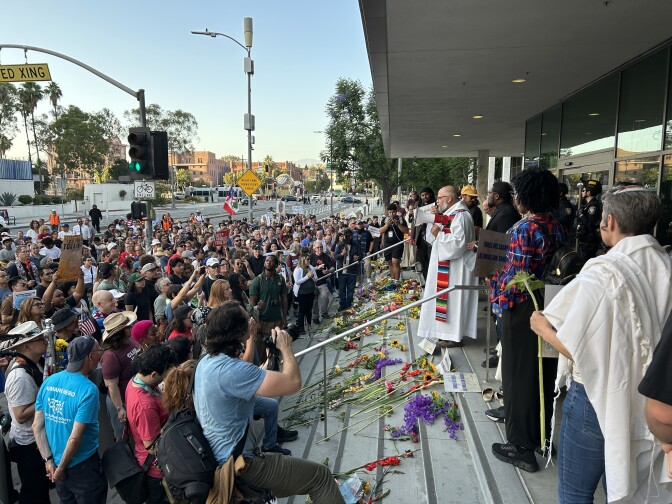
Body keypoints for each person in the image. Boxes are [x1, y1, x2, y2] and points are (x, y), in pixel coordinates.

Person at [532, 186, 672, 503]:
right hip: (653, 398)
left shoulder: (601, 274)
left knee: (575, 491)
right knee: (628, 488)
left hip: (595, 397)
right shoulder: (667, 265)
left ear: (608, 221)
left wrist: (541, 327)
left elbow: (577, 347)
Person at [194, 302, 344, 503]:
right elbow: (293, 383)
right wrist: (285, 348)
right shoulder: (230, 370)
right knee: (321, 477)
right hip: (241, 465)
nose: (251, 322)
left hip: (219, 458)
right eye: (247, 319)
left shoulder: (207, 362)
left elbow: (245, 374)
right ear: (237, 331)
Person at [489, 167, 564, 473]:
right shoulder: (556, 226)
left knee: (519, 376)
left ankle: (521, 447)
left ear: (526, 197)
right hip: (550, 305)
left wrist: (497, 301)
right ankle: (542, 437)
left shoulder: (523, 230)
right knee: (542, 375)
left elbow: (513, 281)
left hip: (522, 309)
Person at [33, 335, 108, 504]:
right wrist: (60, 468)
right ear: (90, 356)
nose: (101, 354)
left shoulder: (49, 382)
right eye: (99, 351)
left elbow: (37, 426)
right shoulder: (88, 390)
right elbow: (74, 439)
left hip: (56, 466)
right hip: (83, 469)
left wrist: (49, 462)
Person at [417, 185, 478, 349]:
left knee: (453, 302)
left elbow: (458, 244)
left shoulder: (461, 216)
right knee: (446, 301)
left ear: (449, 199)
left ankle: (454, 336)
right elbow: (435, 236)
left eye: (439, 198)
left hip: (456, 268)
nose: (436, 201)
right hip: (447, 265)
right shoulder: (451, 214)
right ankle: (446, 334)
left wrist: (439, 234)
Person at [2, 321, 51, 504]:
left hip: (35, 441)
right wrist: (47, 399)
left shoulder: (33, 364)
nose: (45, 341)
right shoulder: (19, 376)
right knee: (33, 494)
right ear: (27, 346)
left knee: (41, 492)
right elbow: (21, 415)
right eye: (40, 339)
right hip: (29, 445)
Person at [125, 344, 174, 504]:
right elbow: (152, 446)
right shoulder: (145, 405)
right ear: (154, 374)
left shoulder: (135, 381)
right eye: (166, 374)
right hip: (156, 472)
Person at [100, 311, 139, 440]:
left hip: (135, 396)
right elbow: (111, 385)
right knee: (123, 437)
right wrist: (119, 408)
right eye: (127, 326)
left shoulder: (130, 341)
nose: (131, 327)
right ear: (120, 332)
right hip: (122, 400)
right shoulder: (110, 355)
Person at [249, 254, 288, 362]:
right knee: (261, 349)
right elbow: (252, 303)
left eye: (270, 261)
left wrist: (284, 317)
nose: (268, 262)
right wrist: (256, 321)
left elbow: (284, 298)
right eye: (266, 261)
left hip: (276, 319)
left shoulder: (280, 279)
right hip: (262, 320)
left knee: (276, 346)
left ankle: (274, 364)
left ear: (275, 264)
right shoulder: (258, 280)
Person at [379, 203, 409, 286]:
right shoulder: (384, 220)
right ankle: (392, 280)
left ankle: (397, 281)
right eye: (390, 212)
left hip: (398, 243)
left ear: (396, 212)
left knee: (395, 261)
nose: (392, 214)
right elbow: (381, 231)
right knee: (390, 262)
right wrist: (387, 225)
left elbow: (406, 231)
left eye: (393, 212)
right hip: (387, 244)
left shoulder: (401, 219)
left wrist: (398, 224)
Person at [576, 179, 602, 261]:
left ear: (589, 193)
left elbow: (590, 226)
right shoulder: (587, 205)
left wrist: (582, 215)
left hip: (589, 243)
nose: (582, 192)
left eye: (584, 190)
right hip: (584, 241)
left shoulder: (593, 206)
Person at [309, 240, 334, 324]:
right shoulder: (311, 257)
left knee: (325, 297)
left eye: (321, 247)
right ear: (314, 248)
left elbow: (332, 268)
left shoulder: (325, 256)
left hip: (322, 281)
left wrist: (328, 271)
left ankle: (324, 312)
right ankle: (315, 317)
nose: (319, 249)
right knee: (314, 301)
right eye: (318, 247)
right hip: (313, 282)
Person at [335, 229, 359, 311]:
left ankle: (348, 304)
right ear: (344, 236)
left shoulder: (355, 244)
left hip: (352, 270)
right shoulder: (340, 245)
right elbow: (335, 257)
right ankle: (343, 304)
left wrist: (358, 258)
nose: (348, 236)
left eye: (350, 235)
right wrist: (342, 254)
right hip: (342, 270)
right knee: (342, 289)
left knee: (350, 289)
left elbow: (361, 255)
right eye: (346, 235)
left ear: (352, 236)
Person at [293, 254, 317, 334]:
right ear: (303, 260)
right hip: (302, 293)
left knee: (309, 310)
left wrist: (312, 276)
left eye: (309, 259)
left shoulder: (311, 267)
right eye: (307, 259)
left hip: (310, 292)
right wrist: (307, 277)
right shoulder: (298, 269)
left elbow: (316, 279)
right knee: (302, 310)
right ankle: (301, 328)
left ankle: (309, 325)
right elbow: (297, 281)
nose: (309, 261)